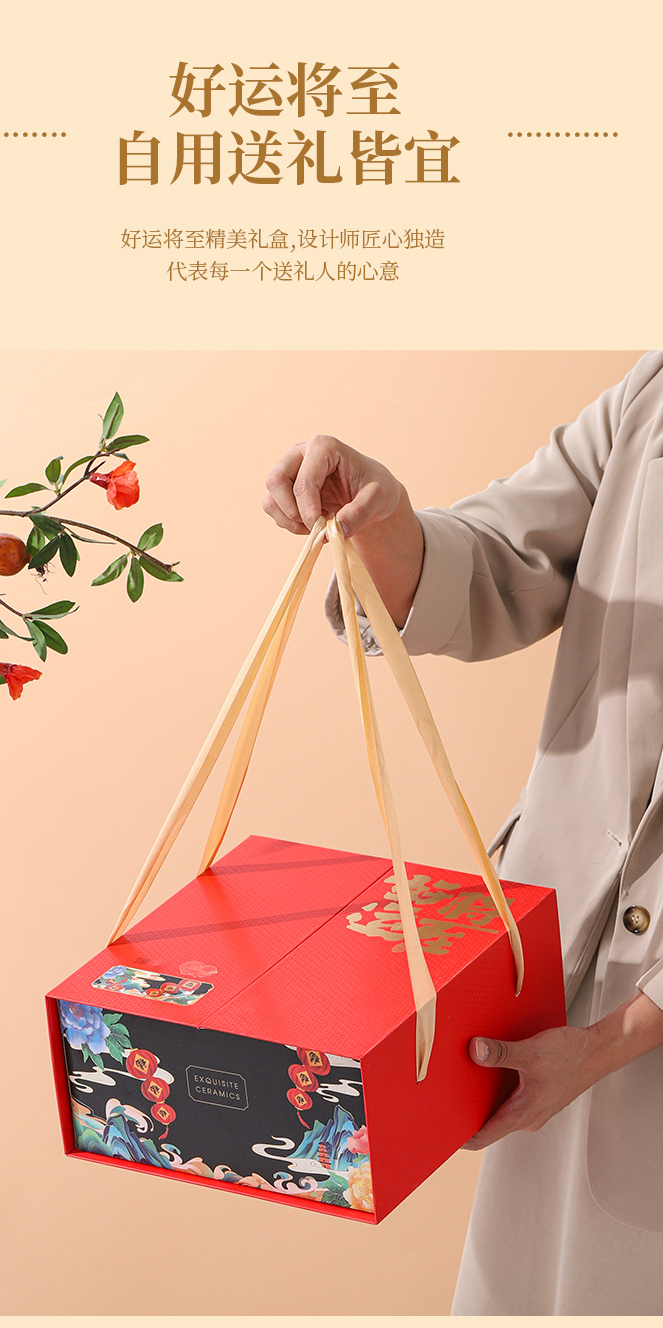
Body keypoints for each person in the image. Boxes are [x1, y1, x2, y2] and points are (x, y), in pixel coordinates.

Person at [263, 351, 663, 1315]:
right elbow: (497, 560)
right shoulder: (653, 393)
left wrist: (615, 1040)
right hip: (570, 991)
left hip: (613, 1034)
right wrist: (384, 524)